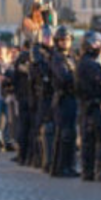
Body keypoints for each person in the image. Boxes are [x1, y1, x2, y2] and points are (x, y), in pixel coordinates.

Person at [76, 31, 101, 182]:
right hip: (91, 105)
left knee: (89, 140)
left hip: (88, 105)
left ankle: (89, 172)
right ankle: (100, 172)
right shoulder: (89, 64)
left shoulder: (85, 62)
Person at [50, 26, 79, 178]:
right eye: (62, 39)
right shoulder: (57, 58)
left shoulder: (70, 57)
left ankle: (69, 165)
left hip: (71, 98)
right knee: (64, 134)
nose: (65, 42)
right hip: (62, 99)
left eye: (67, 39)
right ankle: (60, 167)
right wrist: (76, 77)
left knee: (71, 134)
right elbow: (64, 77)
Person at [29, 27, 56, 172]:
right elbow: (38, 75)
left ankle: (48, 159)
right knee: (42, 128)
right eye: (46, 36)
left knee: (50, 128)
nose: (49, 38)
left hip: (51, 94)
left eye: (50, 36)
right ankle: (41, 159)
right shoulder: (37, 53)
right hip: (41, 96)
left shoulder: (53, 52)